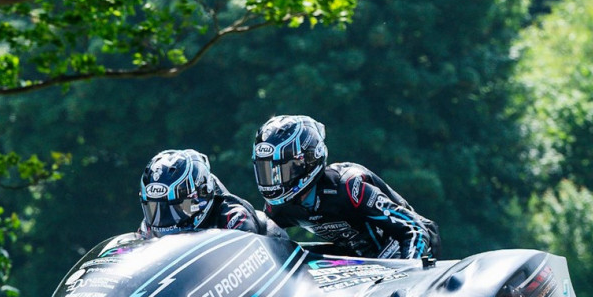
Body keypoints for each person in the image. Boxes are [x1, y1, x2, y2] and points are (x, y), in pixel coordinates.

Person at [252, 114, 441, 259]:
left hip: (407, 247)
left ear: (309, 160)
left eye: (283, 170)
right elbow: (272, 243)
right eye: (266, 170)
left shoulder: (348, 186)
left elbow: (414, 228)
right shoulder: (277, 207)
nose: (273, 181)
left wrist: (409, 274)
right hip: (357, 261)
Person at [137, 148, 276, 238]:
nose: (164, 219)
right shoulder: (150, 226)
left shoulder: (234, 219)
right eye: (155, 208)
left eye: (176, 208)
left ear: (202, 195)